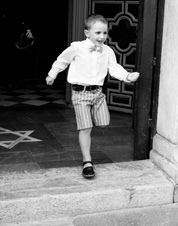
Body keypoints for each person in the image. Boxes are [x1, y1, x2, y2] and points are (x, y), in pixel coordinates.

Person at [45, 14, 139, 179]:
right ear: (87, 33)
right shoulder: (77, 48)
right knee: (85, 127)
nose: (102, 36)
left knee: (104, 122)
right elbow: (62, 61)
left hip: (97, 94)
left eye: (104, 33)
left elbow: (114, 68)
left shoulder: (108, 51)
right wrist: (52, 74)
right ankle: (87, 162)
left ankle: (90, 123)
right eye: (98, 33)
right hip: (80, 93)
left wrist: (127, 76)